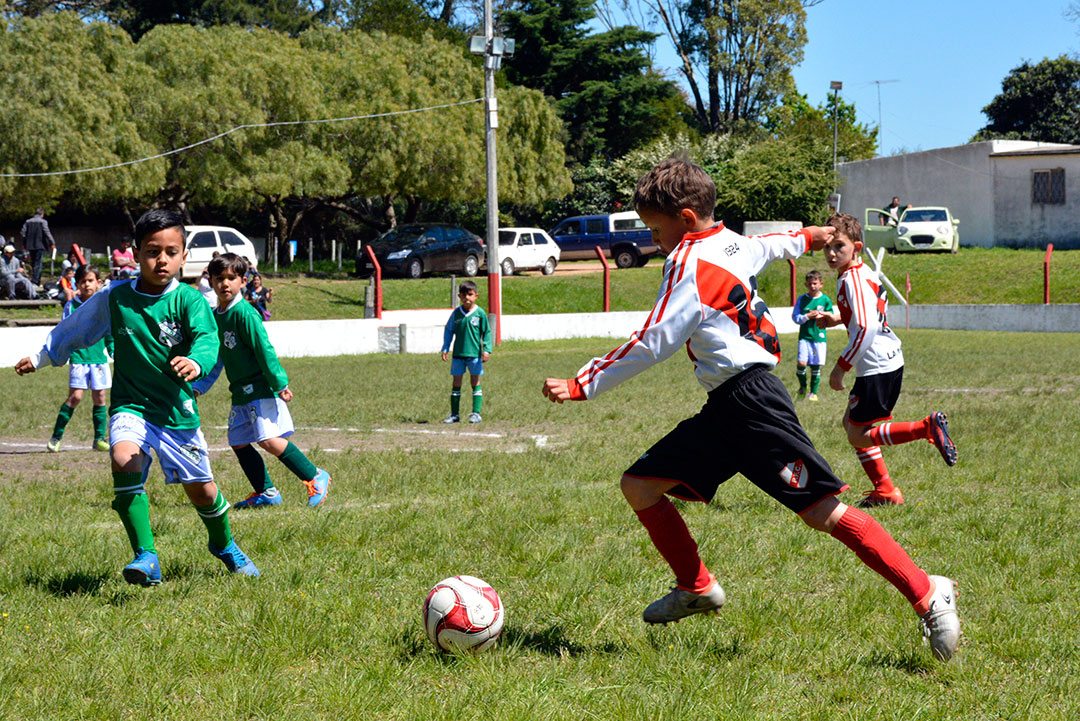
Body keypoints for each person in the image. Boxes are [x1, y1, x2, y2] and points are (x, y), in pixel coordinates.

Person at [541, 158, 960, 661]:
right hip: (728, 405)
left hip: (754, 404)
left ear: (688, 218)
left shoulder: (687, 262)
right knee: (639, 485)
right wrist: (812, 234)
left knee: (824, 514)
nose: (655, 240)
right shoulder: (732, 242)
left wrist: (582, 382)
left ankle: (928, 591)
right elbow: (775, 245)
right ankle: (696, 586)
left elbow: (654, 341)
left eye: (657, 229)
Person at [15, 209, 259, 586]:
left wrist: (196, 361)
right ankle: (146, 557)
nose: (162, 259)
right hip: (131, 405)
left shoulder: (191, 302)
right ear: (135, 252)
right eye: (152, 251)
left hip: (177, 411)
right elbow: (77, 328)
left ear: (183, 255)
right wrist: (42, 356)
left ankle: (224, 544)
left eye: (171, 252)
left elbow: (208, 340)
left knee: (202, 491)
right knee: (122, 457)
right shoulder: (116, 297)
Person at [807, 212, 957, 508]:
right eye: (827, 246)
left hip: (875, 366)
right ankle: (886, 491)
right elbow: (865, 315)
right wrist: (836, 318)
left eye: (839, 246)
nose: (832, 253)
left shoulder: (851, 280)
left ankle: (925, 428)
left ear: (857, 247)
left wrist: (840, 367)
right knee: (852, 425)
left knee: (860, 435)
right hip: (887, 360)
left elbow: (865, 327)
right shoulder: (862, 273)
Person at [191, 253, 330, 509]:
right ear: (210, 281)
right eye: (219, 278)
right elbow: (217, 357)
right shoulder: (215, 316)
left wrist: (280, 383)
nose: (225, 283)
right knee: (239, 441)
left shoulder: (245, 314)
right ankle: (266, 492)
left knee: (268, 440)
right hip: (240, 392)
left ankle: (314, 476)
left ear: (243, 281)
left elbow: (264, 350)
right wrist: (199, 386)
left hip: (259, 389)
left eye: (231, 278)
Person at [47, 265, 113, 453]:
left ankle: (99, 438)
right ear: (77, 284)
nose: (86, 285)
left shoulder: (103, 305)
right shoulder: (71, 306)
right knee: (75, 397)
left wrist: (112, 349)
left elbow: (108, 331)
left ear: (98, 283)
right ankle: (56, 437)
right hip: (79, 357)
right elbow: (66, 332)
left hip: (99, 359)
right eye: (82, 281)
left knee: (100, 397)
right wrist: (63, 352)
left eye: (90, 280)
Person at [441, 280, 492, 424]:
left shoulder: (480, 313)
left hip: (474, 355)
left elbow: (486, 333)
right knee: (456, 383)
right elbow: (449, 330)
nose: (467, 298)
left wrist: (487, 350)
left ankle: (476, 413)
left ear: (476, 295)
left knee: (475, 382)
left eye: (470, 294)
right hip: (458, 355)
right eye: (463, 295)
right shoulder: (456, 313)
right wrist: (446, 347)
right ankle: (454, 414)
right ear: (459, 296)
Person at [791, 269, 833, 401]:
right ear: (806, 285)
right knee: (801, 363)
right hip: (805, 336)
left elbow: (831, 316)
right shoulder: (802, 299)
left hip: (819, 337)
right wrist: (807, 316)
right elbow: (795, 317)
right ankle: (803, 387)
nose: (812, 286)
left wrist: (822, 316)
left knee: (816, 365)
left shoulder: (825, 300)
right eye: (810, 284)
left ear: (821, 284)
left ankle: (813, 393)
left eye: (815, 283)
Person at [20, 208, 55, 286]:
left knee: (33, 262)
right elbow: (47, 232)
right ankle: (35, 280)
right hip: (40, 245)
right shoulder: (43, 222)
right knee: (38, 264)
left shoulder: (28, 222)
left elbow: (23, 233)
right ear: (42, 214)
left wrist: (24, 243)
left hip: (30, 245)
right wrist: (52, 243)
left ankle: (34, 279)